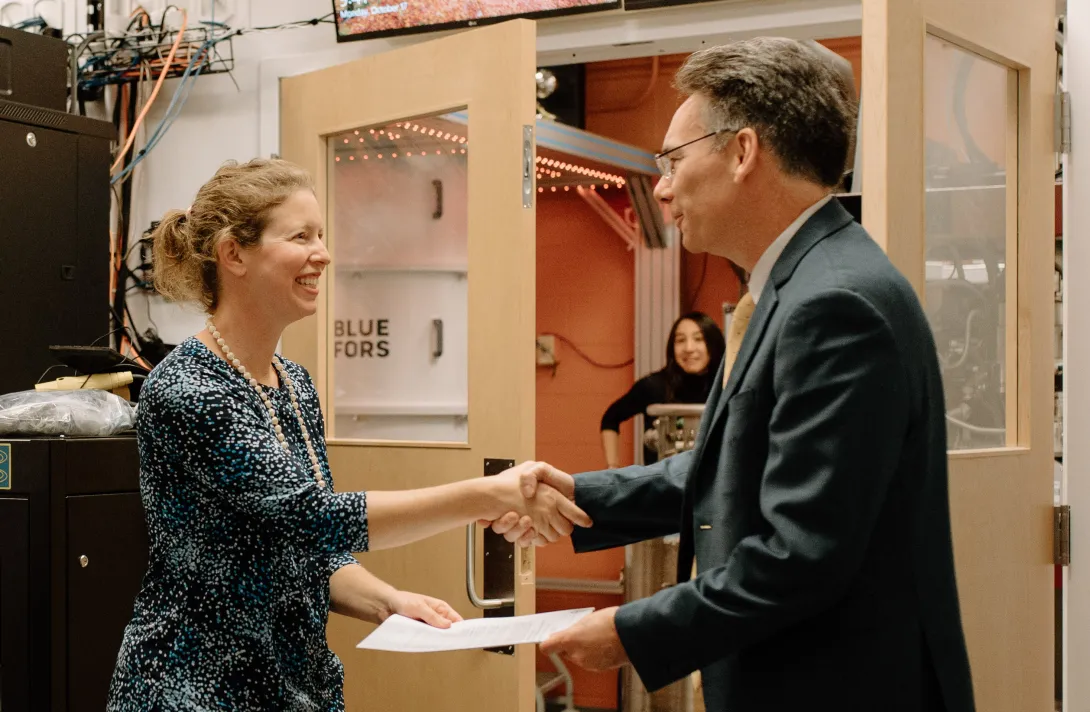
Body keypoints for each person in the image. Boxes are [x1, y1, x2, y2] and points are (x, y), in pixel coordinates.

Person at [489, 38, 976, 712]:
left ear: (743, 152)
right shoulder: (800, 284)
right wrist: (579, 497)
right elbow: (733, 467)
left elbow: (800, 554)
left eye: (673, 161)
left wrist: (632, 632)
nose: (660, 186)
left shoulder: (835, 304)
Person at [106, 158, 590, 711]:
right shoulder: (189, 389)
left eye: (322, 235)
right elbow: (316, 516)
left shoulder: (294, 386)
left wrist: (389, 602)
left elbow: (312, 545)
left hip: (291, 686)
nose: (324, 254)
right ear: (233, 254)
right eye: (301, 237)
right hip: (194, 688)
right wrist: (486, 494)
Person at [599, 312, 725, 467]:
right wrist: (612, 467)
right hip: (661, 486)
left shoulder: (727, 386)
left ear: (714, 344)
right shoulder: (654, 386)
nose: (689, 348)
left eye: (699, 339)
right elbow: (610, 418)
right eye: (680, 340)